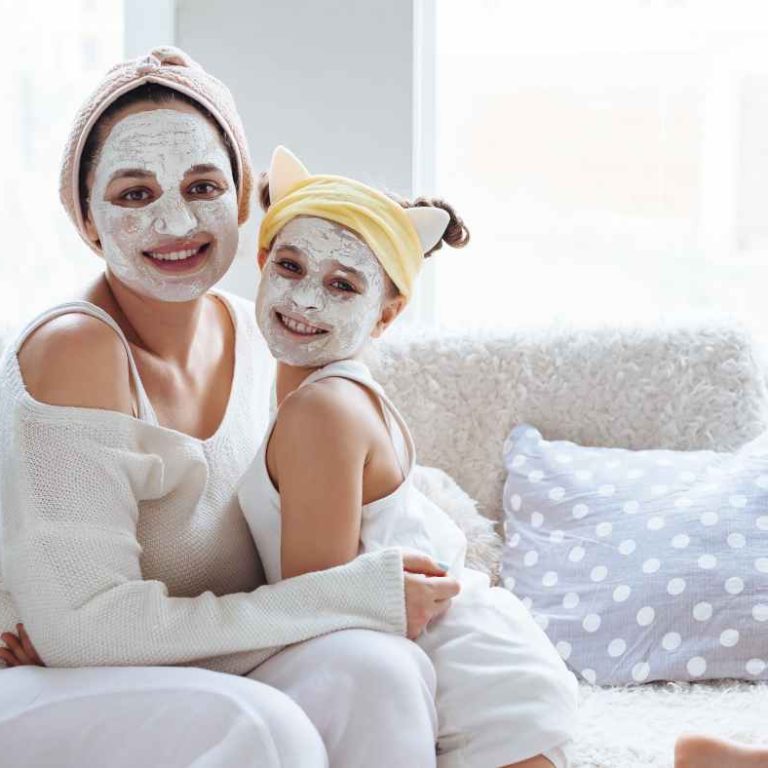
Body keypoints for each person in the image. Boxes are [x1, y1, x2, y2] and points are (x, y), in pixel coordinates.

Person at [0, 47, 459, 768]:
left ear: (245, 200)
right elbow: (86, 636)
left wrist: (369, 594)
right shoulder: (76, 351)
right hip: (44, 681)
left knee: (382, 670)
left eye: (203, 184)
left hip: (185, 665)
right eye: (133, 194)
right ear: (87, 222)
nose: (176, 221)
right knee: (268, 728)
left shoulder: (264, 332)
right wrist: (346, 596)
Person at [237, 146, 579, 768]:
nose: (307, 299)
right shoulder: (315, 399)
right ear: (260, 263)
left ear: (386, 315)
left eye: (343, 285)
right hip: (473, 665)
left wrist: (129, 650)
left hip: (471, 687)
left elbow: (317, 612)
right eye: (289, 265)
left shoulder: (322, 414)